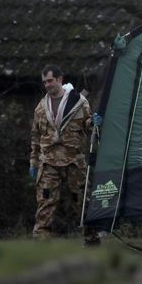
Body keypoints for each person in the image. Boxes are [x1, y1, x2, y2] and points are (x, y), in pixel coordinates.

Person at [29, 65, 100, 245]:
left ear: (60, 79)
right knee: (45, 203)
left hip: (73, 161)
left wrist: (95, 122)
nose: (47, 85)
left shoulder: (78, 102)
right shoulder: (41, 108)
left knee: (82, 202)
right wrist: (33, 162)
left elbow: (89, 126)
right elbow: (36, 137)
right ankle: (40, 245)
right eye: (44, 82)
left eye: (50, 80)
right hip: (48, 163)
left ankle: (91, 239)